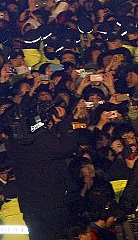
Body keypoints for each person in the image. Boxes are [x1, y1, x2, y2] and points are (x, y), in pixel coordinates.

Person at [6, 102, 90, 239]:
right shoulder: (41, 139)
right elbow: (69, 147)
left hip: (31, 207)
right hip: (54, 205)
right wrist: (64, 122)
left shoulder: (11, 143)